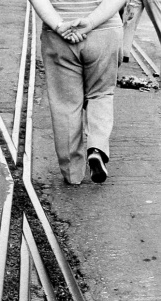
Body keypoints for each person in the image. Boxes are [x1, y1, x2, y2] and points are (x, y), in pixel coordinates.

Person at [29, 0, 126, 184]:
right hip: (104, 31)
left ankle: (72, 173)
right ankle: (96, 149)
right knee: (101, 94)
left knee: (65, 104)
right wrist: (91, 22)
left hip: (59, 36)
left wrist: (59, 25)